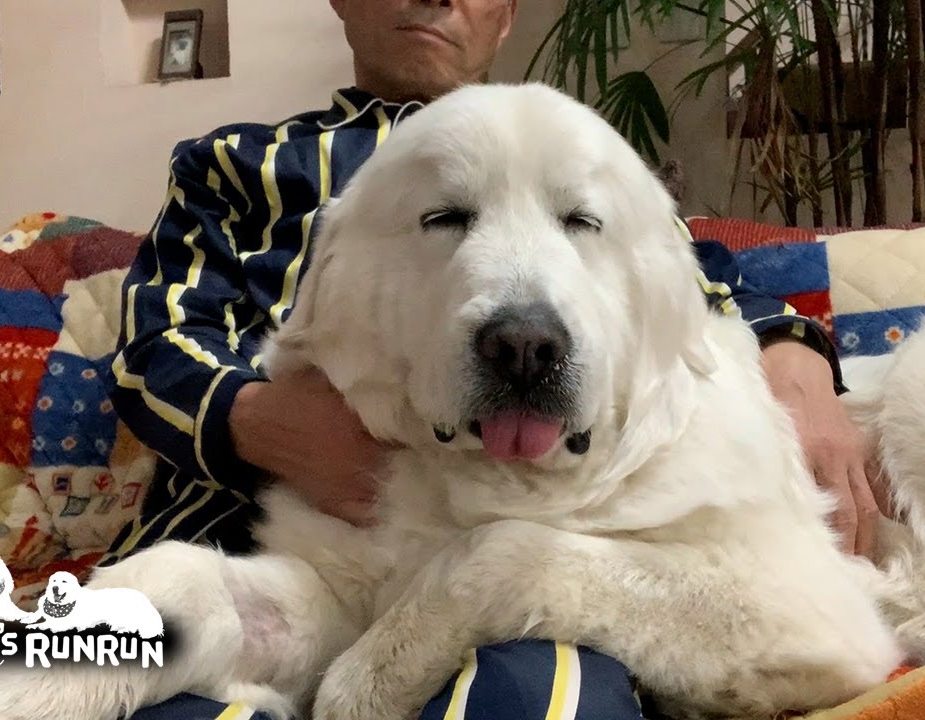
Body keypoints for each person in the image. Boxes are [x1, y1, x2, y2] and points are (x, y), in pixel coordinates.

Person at [106, 1, 882, 717]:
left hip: (518, 555)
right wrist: (259, 422)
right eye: (445, 215)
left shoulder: (576, 148)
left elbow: (691, 285)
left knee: (541, 691)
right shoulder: (235, 164)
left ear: (505, 16)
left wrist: (795, 352)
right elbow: (153, 347)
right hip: (258, 540)